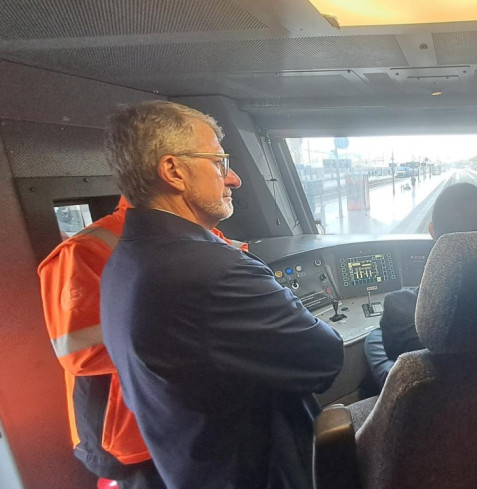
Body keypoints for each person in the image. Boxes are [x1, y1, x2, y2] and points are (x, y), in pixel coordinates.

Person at [99, 100, 344, 489]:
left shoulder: (125, 260)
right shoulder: (214, 270)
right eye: (219, 162)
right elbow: (324, 357)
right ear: (173, 171)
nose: (234, 179)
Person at [38, 196, 248, 489]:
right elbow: (80, 352)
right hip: (136, 436)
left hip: (204, 418)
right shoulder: (87, 249)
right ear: (173, 175)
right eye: (220, 170)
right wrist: (199, 338)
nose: (233, 180)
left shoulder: (213, 242)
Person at [364, 182, 477, 390]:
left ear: (432, 230)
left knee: (373, 338)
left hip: (430, 396)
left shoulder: (400, 307)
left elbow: (394, 351)